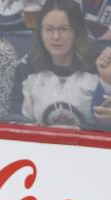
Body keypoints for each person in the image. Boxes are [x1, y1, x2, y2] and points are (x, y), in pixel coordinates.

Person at [9, 0, 99, 128]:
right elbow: (15, 119)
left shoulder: (98, 67)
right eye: (49, 29)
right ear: (40, 33)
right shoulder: (26, 68)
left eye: (64, 29)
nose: (56, 36)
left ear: (77, 32)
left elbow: (106, 126)